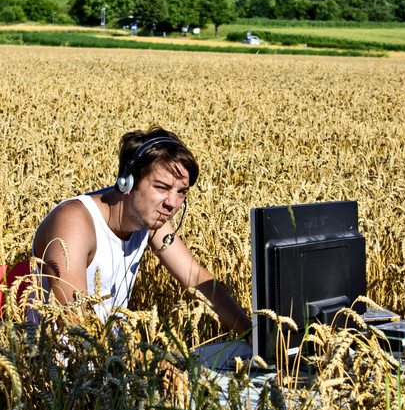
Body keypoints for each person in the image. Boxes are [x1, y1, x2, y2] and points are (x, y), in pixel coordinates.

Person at [32, 127, 253, 342]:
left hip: (114, 364)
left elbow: (197, 279)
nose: (172, 204)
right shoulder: (74, 221)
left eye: (181, 192)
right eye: (162, 187)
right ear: (127, 182)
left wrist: (253, 334)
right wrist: (143, 360)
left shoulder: (150, 220)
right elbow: (74, 320)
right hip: (60, 372)